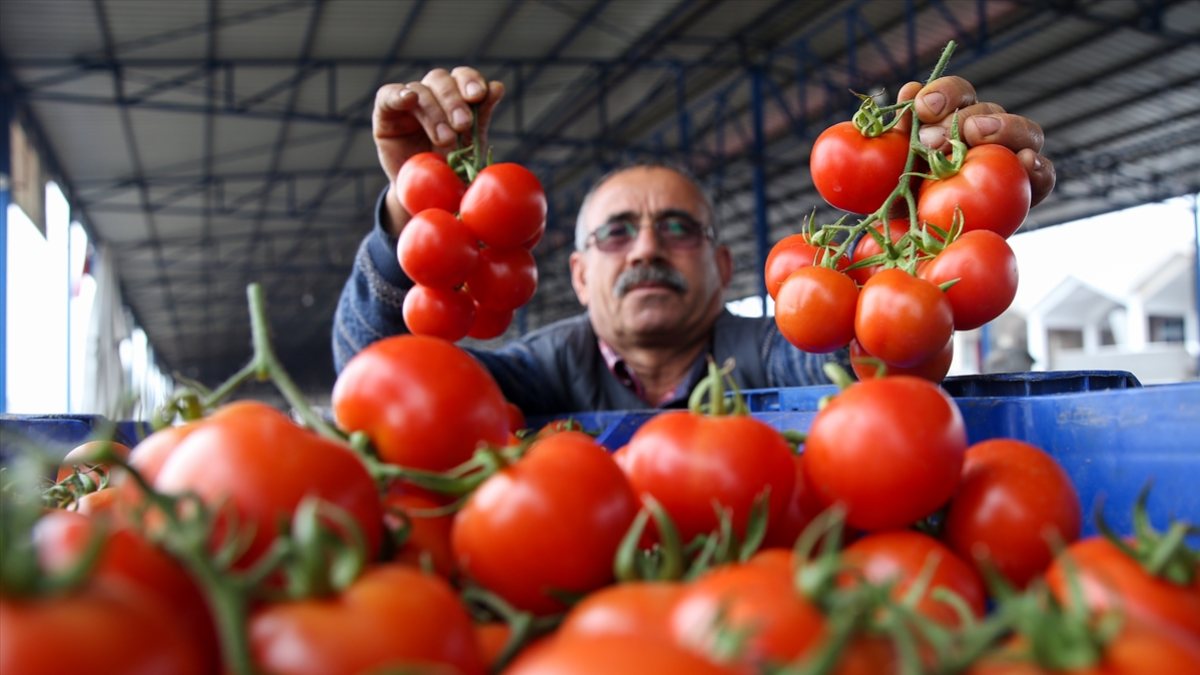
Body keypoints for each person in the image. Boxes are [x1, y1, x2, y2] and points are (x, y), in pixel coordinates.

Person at [333, 67, 1056, 416]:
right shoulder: (540, 373)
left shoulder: (775, 352)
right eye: (617, 233)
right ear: (580, 275)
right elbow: (379, 385)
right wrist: (414, 215)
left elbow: (868, 354)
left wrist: (928, 222)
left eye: (677, 227)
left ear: (723, 264)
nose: (646, 247)